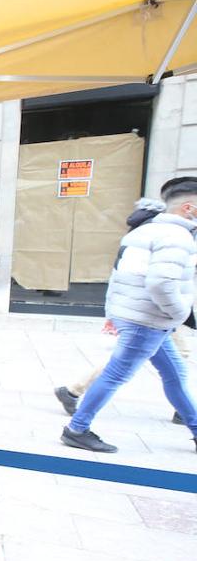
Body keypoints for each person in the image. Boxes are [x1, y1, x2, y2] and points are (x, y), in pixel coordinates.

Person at [62, 180, 197, 453]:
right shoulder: (176, 237)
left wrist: (115, 312)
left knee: (175, 372)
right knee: (115, 375)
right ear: (188, 208)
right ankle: (77, 428)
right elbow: (161, 283)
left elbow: (119, 276)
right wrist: (181, 314)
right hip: (147, 320)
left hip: (142, 318)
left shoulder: (143, 232)